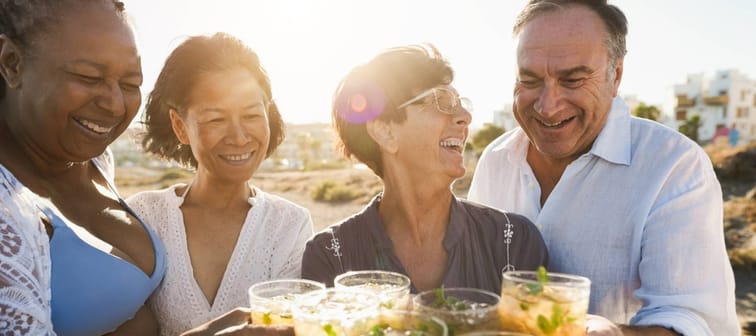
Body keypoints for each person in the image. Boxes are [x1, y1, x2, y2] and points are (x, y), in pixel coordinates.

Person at [468, 1, 739, 335]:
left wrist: (611, 333)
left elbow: (690, 320)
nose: (547, 106)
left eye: (573, 80)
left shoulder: (674, 165)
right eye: (530, 80)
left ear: (616, 75)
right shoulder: (495, 159)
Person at [301, 44, 548, 294]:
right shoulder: (330, 256)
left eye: (460, 103)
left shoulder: (514, 242)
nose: (465, 116)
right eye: (441, 101)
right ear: (385, 131)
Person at [127, 33, 313, 335]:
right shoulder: (145, 217)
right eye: (216, 119)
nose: (239, 137)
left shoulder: (289, 225)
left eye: (252, 114)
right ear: (179, 126)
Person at [0, 0, 166, 335]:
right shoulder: (7, 212)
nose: (115, 104)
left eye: (131, 83)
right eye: (88, 76)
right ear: (12, 63)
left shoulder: (96, 160)